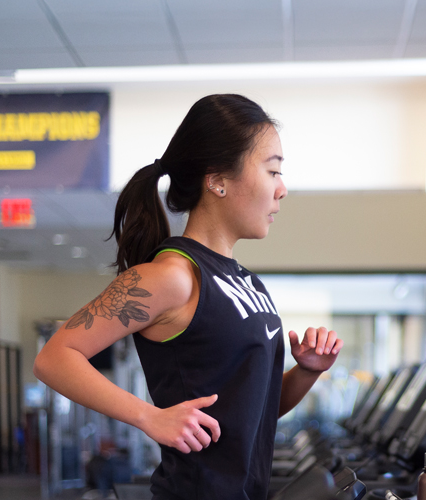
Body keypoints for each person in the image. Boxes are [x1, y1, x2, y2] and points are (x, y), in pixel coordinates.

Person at [33, 94, 344, 500]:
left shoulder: (248, 284)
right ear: (217, 180)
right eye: (272, 171)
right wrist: (149, 417)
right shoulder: (172, 276)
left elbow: (249, 413)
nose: (282, 189)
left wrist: (306, 372)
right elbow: (54, 357)